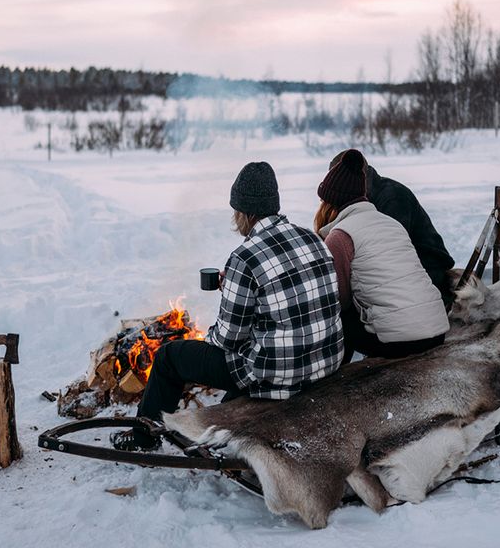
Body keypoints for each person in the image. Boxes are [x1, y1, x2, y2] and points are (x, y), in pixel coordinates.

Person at [114, 161, 344, 450]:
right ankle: (229, 412)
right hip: (325, 363)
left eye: (236, 212)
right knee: (252, 349)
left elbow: (228, 338)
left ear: (245, 213)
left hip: (280, 373)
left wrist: (206, 334)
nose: (235, 219)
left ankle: (142, 437)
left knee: (169, 357)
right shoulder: (313, 238)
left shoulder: (245, 257)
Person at [315, 149, 449, 360]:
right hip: (436, 328)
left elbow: (341, 299)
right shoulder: (387, 220)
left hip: (432, 271)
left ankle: (335, 375)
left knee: (338, 313)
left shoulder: (389, 199)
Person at [328, 151, 455, 309]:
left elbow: (388, 253)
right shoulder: (359, 198)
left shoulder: (392, 197)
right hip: (403, 273)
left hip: (427, 270)